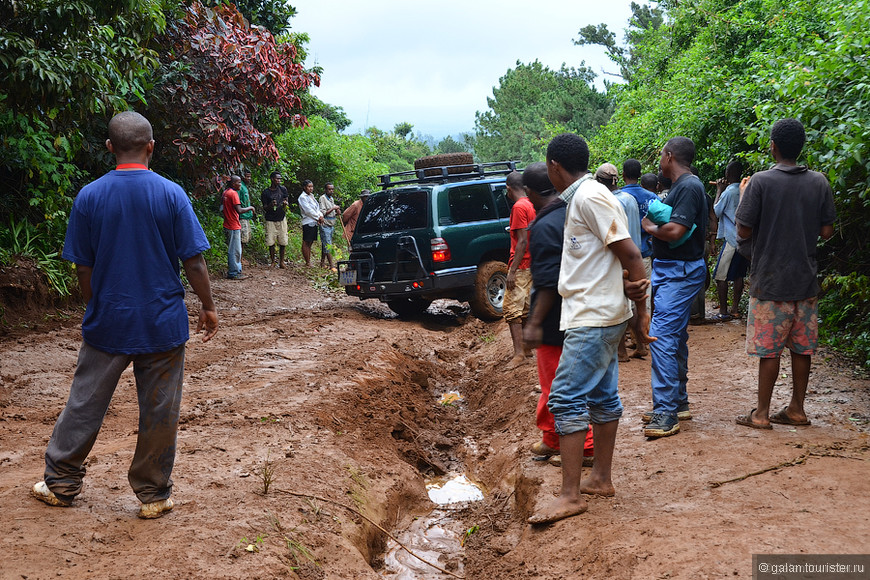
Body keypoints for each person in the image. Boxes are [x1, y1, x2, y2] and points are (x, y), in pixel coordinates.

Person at [30, 111, 218, 519]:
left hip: (108, 321)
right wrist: (207, 306)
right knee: (160, 410)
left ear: (110, 148)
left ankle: (61, 484)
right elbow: (194, 261)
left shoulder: (90, 196)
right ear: (151, 147)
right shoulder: (171, 194)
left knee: (84, 403)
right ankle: (153, 495)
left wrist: (95, 304)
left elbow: (83, 266)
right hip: (162, 322)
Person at [528, 134, 652, 525]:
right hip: (596, 312)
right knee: (601, 396)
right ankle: (600, 479)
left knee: (564, 399)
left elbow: (630, 253)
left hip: (594, 316)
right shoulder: (585, 197)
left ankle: (571, 495)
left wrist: (642, 310)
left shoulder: (589, 197)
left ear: (553, 166)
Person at [734, 118, 835, 430]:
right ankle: (797, 409)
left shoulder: (761, 182)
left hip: (770, 281)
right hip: (805, 281)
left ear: (773, 146)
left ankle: (761, 413)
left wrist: (743, 195)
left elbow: (743, 228)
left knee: (770, 351)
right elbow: (827, 232)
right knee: (801, 348)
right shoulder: (819, 182)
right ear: (801, 147)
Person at [522, 163, 595, 468]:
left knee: (558, 385)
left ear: (528, 193)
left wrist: (534, 322)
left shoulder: (545, 225)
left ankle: (586, 447)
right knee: (558, 381)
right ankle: (552, 438)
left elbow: (549, 281)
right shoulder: (572, 211)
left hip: (556, 319)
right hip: (582, 309)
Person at [641, 137, 708, 438]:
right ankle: (677, 403)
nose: (659, 161)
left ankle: (666, 413)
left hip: (680, 272)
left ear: (669, 157)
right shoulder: (682, 187)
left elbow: (676, 230)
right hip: (671, 271)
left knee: (662, 337)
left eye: (661, 156)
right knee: (675, 337)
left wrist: (651, 229)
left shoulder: (690, 187)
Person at [595, 162, 643, 362]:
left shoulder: (608, 203)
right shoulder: (629, 198)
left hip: (620, 258)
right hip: (636, 255)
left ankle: (621, 351)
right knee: (631, 304)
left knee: (619, 305)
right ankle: (641, 344)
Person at [504, 170, 536, 368]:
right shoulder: (533, 203)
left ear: (509, 189)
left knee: (511, 309)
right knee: (525, 307)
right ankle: (526, 349)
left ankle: (519, 354)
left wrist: (512, 270)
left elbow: (522, 241)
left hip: (522, 264)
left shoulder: (518, 207)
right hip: (534, 263)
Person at [710, 161, 748, 320]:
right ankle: (735, 309)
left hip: (731, 239)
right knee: (739, 275)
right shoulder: (746, 189)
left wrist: (719, 190)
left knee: (720, 276)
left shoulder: (728, 192)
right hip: (744, 239)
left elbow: (716, 211)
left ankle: (723, 311)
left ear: (727, 175)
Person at [222, 175, 255, 280]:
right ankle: (234, 272)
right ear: (233, 183)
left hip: (228, 224)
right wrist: (250, 208)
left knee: (234, 249)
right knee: (235, 250)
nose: (240, 185)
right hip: (233, 225)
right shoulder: (233, 194)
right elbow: (239, 210)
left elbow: (222, 208)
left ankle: (236, 270)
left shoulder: (225, 193)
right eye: (239, 182)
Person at [261, 171, 290, 268]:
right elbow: (264, 207)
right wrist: (270, 205)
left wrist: (285, 204)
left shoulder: (283, 189)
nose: (279, 180)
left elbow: (286, 200)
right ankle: (273, 261)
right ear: (272, 179)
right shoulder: (266, 192)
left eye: (280, 179)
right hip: (270, 219)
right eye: (277, 178)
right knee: (270, 241)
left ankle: (281, 262)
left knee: (283, 241)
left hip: (281, 218)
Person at [298, 179, 325, 267]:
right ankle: (307, 262)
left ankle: (308, 261)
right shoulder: (302, 197)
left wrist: (320, 216)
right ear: (304, 187)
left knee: (310, 242)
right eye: (309, 187)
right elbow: (308, 210)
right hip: (308, 221)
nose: (311, 188)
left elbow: (317, 208)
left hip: (314, 221)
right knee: (306, 242)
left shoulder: (311, 196)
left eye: (312, 187)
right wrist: (318, 217)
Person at [318, 182, 341, 270]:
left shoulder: (331, 199)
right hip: (325, 225)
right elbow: (323, 213)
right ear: (325, 190)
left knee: (325, 244)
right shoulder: (322, 198)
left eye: (332, 189)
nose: (331, 191)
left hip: (331, 224)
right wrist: (333, 208)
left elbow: (332, 212)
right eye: (329, 189)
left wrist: (336, 212)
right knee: (328, 245)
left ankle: (322, 263)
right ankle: (332, 265)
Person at [238, 170, 255, 247]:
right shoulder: (240, 187)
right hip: (242, 217)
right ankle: (239, 258)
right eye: (247, 176)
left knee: (245, 239)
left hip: (246, 216)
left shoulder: (244, 187)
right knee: (242, 239)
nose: (249, 178)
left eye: (250, 176)